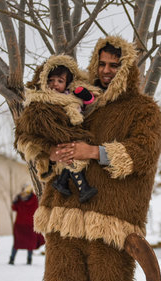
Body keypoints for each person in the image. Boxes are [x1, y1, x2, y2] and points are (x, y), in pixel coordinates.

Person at [15, 36, 161, 281]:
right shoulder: (77, 99)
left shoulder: (142, 109)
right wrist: (49, 155)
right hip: (64, 213)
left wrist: (92, 151)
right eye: (102, 63)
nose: (107, 71)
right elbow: (34, 138)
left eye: (114, 65)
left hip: (109, 219)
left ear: (126, 68)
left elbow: (143, 153)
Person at [22, 55, 100, 203]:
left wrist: (86, 97)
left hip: (74, 134)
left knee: (71, 156)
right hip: (57, 138)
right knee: (69, 157)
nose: (54, 84)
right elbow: (30, 133)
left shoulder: (70, 96)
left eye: (60, 81)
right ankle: (80, 187)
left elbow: (86, 107)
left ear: (67, 83)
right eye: (51, 80)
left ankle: (66, 183)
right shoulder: (40, 100)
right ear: (44, 80)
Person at [9, 184, 44, 265]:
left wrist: (15, 202)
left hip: (19, 224)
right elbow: (38, 209)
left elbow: (14, 208)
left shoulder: (19, 198)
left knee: (17, 243)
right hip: (30, 224)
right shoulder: (35, 199)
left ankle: (12, 259)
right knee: (30, 243)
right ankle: (29, 260)